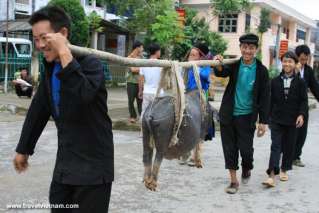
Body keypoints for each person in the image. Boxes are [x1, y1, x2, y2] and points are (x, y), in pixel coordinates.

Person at [13, 6, 113, 212]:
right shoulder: (50, 69)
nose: (39, 45)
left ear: (63, 34)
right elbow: (38, 111)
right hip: (65, 167)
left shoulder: (91, 64)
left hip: (93, 169)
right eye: (36, 39)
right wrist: (23, 149)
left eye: (44, 38)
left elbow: (83, 95)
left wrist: (65, 53)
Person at [214, 33, 270, 194]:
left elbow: (265, 97)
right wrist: (218, 64)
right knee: (229, 148)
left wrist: (263, 121)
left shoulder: (261, 71)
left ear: (256, 49)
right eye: (244, 47)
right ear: (240, 48)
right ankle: (233, 181)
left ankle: (247, 167)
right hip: (229, 114)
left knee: (246, 150)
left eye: (251, 48)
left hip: (247, 117)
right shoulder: (234, 65)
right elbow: (221, 72)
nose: (247, 51)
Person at [262, 51, 308, 187]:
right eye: (285, 61)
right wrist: (266, 119)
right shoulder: (274, 81)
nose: (287, 64)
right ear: (282, 63)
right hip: (276, 119)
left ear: (295, 64)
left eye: (290, 61)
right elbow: (270, 101)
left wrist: (301, 115)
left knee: (289, 145)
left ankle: (284, 169)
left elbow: (303, 101)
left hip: (293, 120)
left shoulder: (300, 82)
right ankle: (271, 174)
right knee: (275, 146)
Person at [180, 42, 213, 167]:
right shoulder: (186, 67)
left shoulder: (205, 66)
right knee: (186, 124)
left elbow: (205, 76)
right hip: (188, 96)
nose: (191, 57)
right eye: (190, 55)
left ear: (200, 57)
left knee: (199, 126)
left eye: (194, 55)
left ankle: (196, 155)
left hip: (200, 97)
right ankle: (186, 152)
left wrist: (195, 66)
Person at [293, 45, 319, 167]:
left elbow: (314, 87)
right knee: (290, 132)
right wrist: (295, 71)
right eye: (302, 59)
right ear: (297, 57)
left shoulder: (308, 70)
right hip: (289, 107)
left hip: (303, 106)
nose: (303, 62)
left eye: (306, 59)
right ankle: (287, 154)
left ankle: (296, 157)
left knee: (302, 133)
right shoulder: (290, 67)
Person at [138, 43, 162, 119]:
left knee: (144, 112)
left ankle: (143, 129)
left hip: (147, 92)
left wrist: (140, 91)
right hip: (158, 93)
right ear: (157, 52)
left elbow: (141, 79)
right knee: (158, 113)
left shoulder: (143, 63)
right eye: (159, 51)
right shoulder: (162, 64)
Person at [127, 41, 144, 123]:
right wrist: (142, 69)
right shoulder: (129, 57)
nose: (142, 49)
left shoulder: (141, 58)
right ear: (137, 48)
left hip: (140, 82)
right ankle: (132, 116)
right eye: (141, 47)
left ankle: (141, 115)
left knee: (140, 100)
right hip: (131, 82)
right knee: (131, 100)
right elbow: (133, 70)